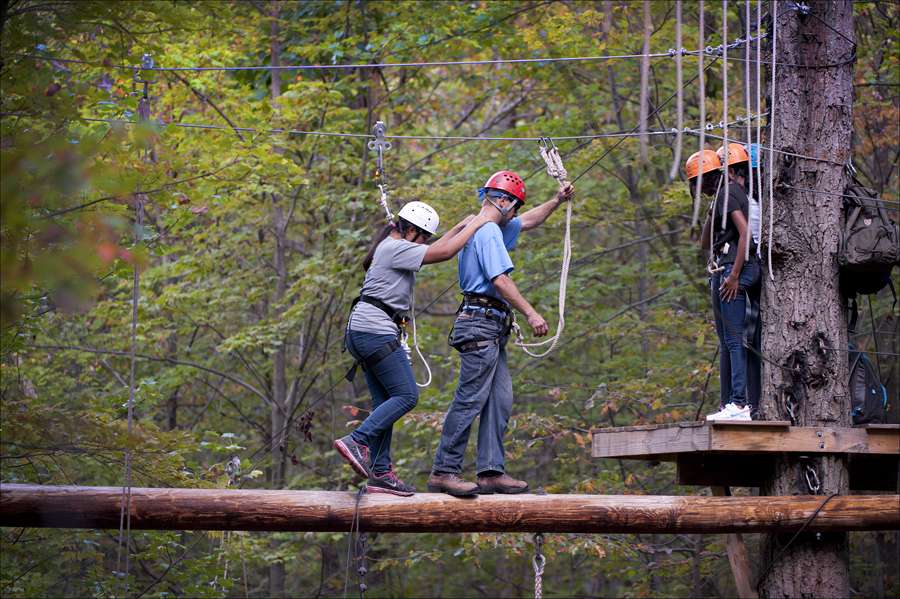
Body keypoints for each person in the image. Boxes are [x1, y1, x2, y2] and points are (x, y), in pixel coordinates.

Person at [428, 170, 575, 497]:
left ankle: (491, 471)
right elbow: (500, 280)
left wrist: (556, 201)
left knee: (499, 399)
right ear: (505, 202)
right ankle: (444, 469)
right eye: (516, 206)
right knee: (470, 399)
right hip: (480, 322)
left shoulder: (485, 226)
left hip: (489, 325)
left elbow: (529, 222)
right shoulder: (488, 233)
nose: (518, 213)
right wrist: (531, 312)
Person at [334, 201, 491, 496]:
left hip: (364, 330)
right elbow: (443, 252)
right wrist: (479, 223)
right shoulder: (394, 248)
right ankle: (358, 440)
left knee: (385, 404)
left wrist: (461, 225)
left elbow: (438, 245)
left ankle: (380, 472)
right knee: (407, 395)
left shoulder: (395, 244)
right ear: (410, 230)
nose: (425, 244)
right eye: (424, 237)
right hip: (374, 331)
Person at [699, 143, 761, 421]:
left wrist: (735, 275)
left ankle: (739, 402)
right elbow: (703, 242)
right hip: (723, 266)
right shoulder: (723, 198)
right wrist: (713, 211)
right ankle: (729, 404)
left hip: (734, 266)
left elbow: (745, 235)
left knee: (734, 339)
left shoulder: (732, 192)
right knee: (726, 341)